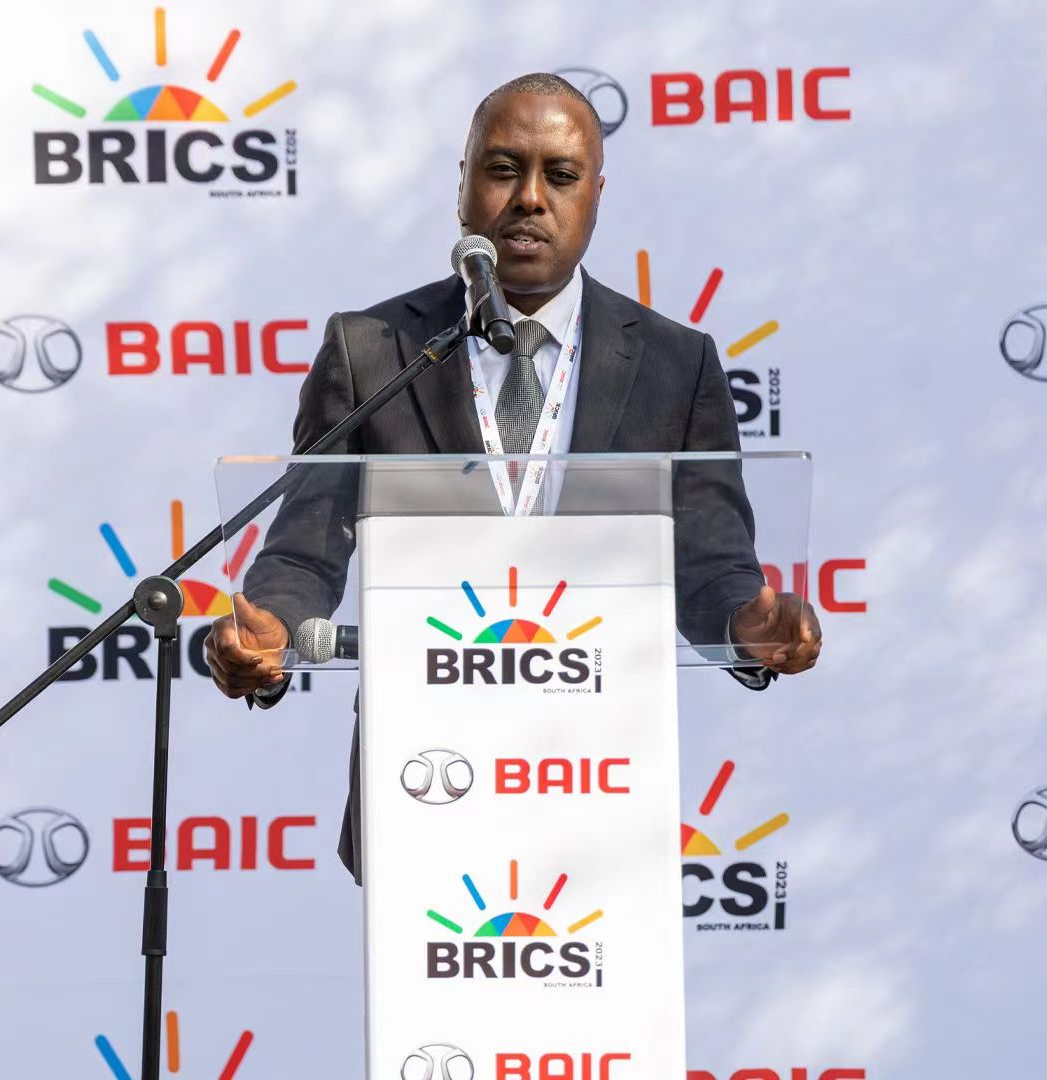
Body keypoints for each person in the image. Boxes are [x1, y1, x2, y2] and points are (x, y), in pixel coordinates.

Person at [204, 73, 822, 884]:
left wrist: (747, 626)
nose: (530, 197)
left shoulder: (678, 364)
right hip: (423, 775)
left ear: (595, 196)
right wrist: (272, 631)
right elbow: (303, 550)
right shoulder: (373, 350)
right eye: (503, 169)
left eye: (560, 175)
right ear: (462, 184)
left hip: (603, 769)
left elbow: (712, 563)